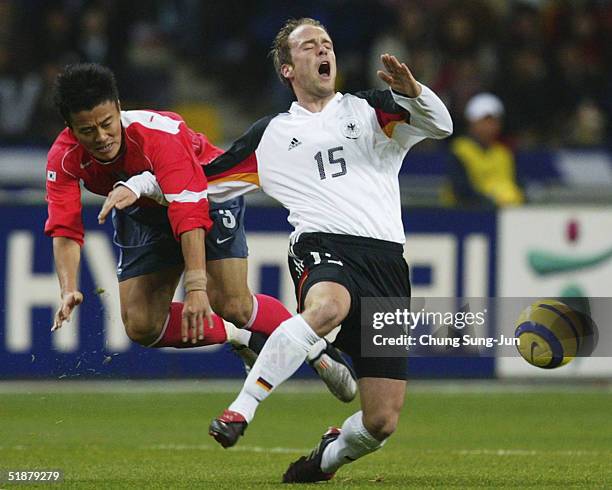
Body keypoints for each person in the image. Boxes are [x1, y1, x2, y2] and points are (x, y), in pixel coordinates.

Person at [199, 18, 452, 483]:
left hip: (386, 266)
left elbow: (442, 125)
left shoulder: (371, 110)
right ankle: (242, 408)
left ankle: (327, 458)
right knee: (329, 305)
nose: (323, 51)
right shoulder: (270, 135)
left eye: (327, 44)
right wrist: (143, 184)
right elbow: (202, 182)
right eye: (309, 46)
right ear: (287, 69)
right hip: (321, 245)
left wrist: (415, 93)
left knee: (381, 421)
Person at [45, 63, 357, 402]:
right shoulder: (63, 158)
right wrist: (68, 288)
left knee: (232, 303)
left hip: (206, 194)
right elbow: (64, 227)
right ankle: (239, 337)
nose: (102, 137)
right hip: (145, 213)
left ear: (119, 107)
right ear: (70, 128)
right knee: (141, 325)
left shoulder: (159, 134)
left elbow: (188, 210)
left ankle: (315, 348)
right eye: (87, 131)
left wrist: (196, 289)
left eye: (107, 124)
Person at [446, 92, 524, 207]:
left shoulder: (503, 153)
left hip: (506, 211)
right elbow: (461, 189)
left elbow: (517, 183)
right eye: (484, 121)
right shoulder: (460, 149)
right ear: (471, 122)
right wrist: (488, 201)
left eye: (493, 122)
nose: (489, 127)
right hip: (468, 213)